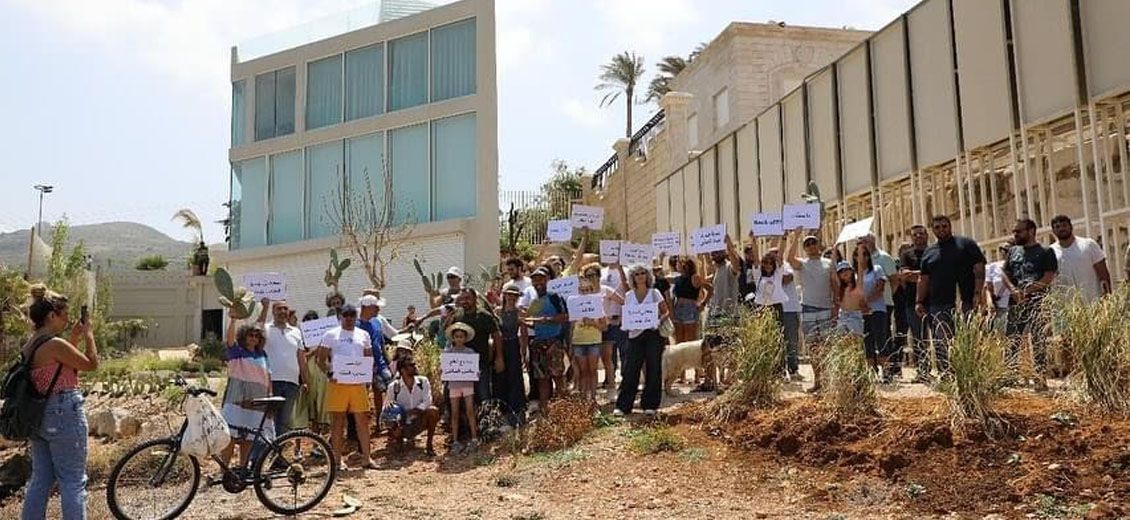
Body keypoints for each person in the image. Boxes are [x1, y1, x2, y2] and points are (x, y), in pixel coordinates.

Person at [21, 285, 97, 520]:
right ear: (52, 316)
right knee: (73, 481)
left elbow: (63, 368)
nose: (67, 319)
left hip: (41, 416)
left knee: (41, 478)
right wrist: (89, 334)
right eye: (64, 314)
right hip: (64, 412)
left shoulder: (31, 344)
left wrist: (73, 337)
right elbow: (90, 365)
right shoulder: (55, 345)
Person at [915, 215, 986, 377]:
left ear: (950, 226)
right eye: (937, 227)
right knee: (942, 341)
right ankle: (948, 374)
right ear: (933, 230)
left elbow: (979, 270)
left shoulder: (966, 244)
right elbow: (923, 278)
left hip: (965, 300)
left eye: (944, 226)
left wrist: (977, 293)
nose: (941, 230)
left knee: (969, 338)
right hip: (938, 303)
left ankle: (972, 374)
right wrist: (919, 301)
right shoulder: (929, 252)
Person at [316, 304, 377, 471]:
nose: (349, 318)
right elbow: (320, 360)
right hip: (339, 384)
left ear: (356, 317)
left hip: (357, 384)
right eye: (346, 315)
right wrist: (330, 374)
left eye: (352, 315)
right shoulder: (331, 334)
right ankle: (337, 460)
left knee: (362, 421)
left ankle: (366, 458)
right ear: (340, 316)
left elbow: (368, 357)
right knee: (338, 422)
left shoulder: (363, 334)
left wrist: (367, 376)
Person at [1002, 219, 1058, 391]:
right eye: (1014, 232)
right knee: (1012, 339)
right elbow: (1005, 273)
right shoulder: (1013, 252)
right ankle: (1009, 377)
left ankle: (1040, 378)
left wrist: (1028, 291)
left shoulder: (1046, 251)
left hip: (1037, 302)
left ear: (1031, 231)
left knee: (1038, 340)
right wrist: (1013, 290)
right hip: (1016, 302)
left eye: (1019, 231)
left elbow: (1048, 277)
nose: (1015, 235)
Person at [615, 264, 671, 417]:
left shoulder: (655, 293)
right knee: (630, 369)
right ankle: (624, 405)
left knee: (653, 368)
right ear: (632, 277)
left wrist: (658, 321)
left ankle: (650, 404)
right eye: (637, 274)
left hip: (653, 334)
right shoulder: (628, 296)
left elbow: (665, 312)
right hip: (634, 336)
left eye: (642, 273)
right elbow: (627, 315)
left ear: (647, 276)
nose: (640, 276)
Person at [220, 314, 273, 471]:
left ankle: (243, 469)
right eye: (251, 334)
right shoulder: (237, 351)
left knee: (249, 438)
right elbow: (229, 340)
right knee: (230, 436)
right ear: (244, 336)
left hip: (258, 401)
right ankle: (224, 470)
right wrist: (233, 320)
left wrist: (270, 398)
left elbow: (268, 377)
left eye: (257, 335)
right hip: (237, 399)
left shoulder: (263, 355)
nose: (254, 338)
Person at [785, 232, 837, 390]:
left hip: (826, 308)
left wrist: (836, 305)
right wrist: (797, 236)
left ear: (818, 244)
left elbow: (835, 284)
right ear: (804, 249)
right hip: (808, 309)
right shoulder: (803, 264)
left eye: (813, 242)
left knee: (826, 347)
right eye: (807, 244)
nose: (811, 246)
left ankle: (827, 381)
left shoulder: (829, 263)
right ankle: (818, 381)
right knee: (813, 347)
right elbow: (789, 259)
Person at [256, 298, 307, 436]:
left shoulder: (296, 331)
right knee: (268, 419)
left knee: (284, 421)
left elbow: (301, 358)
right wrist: (264, 307)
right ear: (273, 311)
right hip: (271, 382)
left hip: (292, 383)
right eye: (279, 309)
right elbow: (255, 330)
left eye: (285, 309)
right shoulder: (265, 328)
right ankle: (262, 454)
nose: (283, 312)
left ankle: (278, 455)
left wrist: (306, 381)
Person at [523, 267, 569, 406]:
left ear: (547, 280)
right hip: (538, 343)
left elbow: (564, 316)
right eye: (535, 279)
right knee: (542, 379)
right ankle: (544, 411)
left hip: (554, 342)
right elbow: (534, 324)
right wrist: (524, 322)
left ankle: (564, 410)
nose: (538, 282)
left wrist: (547, 319)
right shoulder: (535, 302)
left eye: (541, 279)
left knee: (558, 377)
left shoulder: (555, 297)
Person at [702, 235, 742, 391]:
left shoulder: (728, 268)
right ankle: (717, 380)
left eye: (718, 252)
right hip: (714, 315)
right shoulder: (716, 271)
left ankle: (731, 378)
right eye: (713, 253)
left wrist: (730, 246)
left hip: (728, 314)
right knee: (714, 348)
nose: (715, 255)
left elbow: (736, 265)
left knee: (730, 346)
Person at [450, 288, 503, 402]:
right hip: (461, 364)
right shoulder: (457, 315)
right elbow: (451, 335)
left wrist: (499, 357)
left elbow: (496, 335)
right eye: (462, 299)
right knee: (460, 397)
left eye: (468, 298)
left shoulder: (484, 316)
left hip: (481, 363)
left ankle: (488, 418)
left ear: (475, 299)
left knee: (484, 394)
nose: (465, 301)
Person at [382, 357, 440, 456]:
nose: (415, 367)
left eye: (414, 364)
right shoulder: (393, 387)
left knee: (433, 411)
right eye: (411, 365)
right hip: (401, 423)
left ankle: (429, 445)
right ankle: (398, 443)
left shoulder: (423, 382)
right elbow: (386, 407)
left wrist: (414, 411)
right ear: (402, 370)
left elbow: (428, 401)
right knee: (391, 417)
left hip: (419, 420)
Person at [860, 234, 899, 378]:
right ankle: (872, 372)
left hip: (882, 305)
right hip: (864, 310)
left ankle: (889, 372)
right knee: (868, 340)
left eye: (865, 240)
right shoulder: (859, 267)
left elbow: (894, 281)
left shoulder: (883, 258)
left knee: (883, 338)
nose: (863, 243)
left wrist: (887, 298)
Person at [1049, 215, 1111, 302]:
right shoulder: (1051, 252)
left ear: (1071, 227)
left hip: (1093, 302)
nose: (1061, 229)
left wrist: (1108, 299)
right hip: (1068, 307)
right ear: (1053, 231)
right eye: (1057, 227)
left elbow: (1103, 274)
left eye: (1064, 225)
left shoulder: (1088, 245)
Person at [854, 243, 891, 381]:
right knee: (867, 341)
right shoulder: (855, 273)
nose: (862, 257)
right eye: (858, 254)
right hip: (861, 312)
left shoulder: (876, 269)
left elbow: (880, 287)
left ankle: (886, 372)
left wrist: (867, 301)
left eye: (865, 254)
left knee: (881, 340)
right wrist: (860, 304)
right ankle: (871, 372)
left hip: (877, 309)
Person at [899, 225, 931, 383]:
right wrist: (926, 274)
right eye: (915, 234)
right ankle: (923, 371)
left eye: (921, 234)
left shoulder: (934, 251)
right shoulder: (907, 255)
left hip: (935, 300)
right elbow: (904, 276)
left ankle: (944, 370)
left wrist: (916, 274)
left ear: (927, 235)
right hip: (912, 301)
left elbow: (938, 273)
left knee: (940, 336)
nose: (918, 236)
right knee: (919, 338)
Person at [357, 295, 395, 425]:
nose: (378, 309)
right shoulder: (356, 325)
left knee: (387, 391)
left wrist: (389, 362)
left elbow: (381, 344)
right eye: (375, 307)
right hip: (363, 366)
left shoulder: (377, 322)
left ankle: (382, 419)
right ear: (366, 308)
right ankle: (363, 423)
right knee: (363, 394)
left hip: (380, 365)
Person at [444, 323, 481, 454]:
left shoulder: (470, 352)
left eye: (461, 336)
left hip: (467, 384)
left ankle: (474, 438)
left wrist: (476, 373)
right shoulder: (448, 353)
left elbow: (475, 370)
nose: (459, 339)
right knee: (455, 413)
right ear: (453, 338)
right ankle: (455, 441)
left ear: (465, 338)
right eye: (457, 336)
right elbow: (443, 369)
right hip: (453, 385)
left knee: (470, 411)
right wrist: (442, 370)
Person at [571, 277, 609, 402]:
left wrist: (593, 323)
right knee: (582, 371)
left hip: (593, 341)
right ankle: (583, 399)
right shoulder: (574, 306)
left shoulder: (598, 307)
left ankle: (592, 398)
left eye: (587, 289)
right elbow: (571, 326)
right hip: (578, 342)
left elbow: (604, 327)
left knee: (592, 370)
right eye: (582, 290)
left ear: (591, 291)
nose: (585, 292)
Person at [495, 284, 529, 425]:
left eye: (514, 295)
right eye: (509, 295)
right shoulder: (497, 311)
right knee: (500, 378)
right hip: (500, 345)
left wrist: (524, 351)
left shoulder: (520, 312)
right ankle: (503, 412)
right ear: (504, 295)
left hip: (513, 344)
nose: (511, 298)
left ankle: (518, 411)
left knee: (515, 377)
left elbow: (524, 333)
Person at [596, 262, 627, 390]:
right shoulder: (601, 272)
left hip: (619, 318)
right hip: (605, 321)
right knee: (608, 354)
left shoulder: (626, 269)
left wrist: (621, 269)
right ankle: (610, 379)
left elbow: (627, 292)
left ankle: (626, 379)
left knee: (624, 351)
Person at [671, 256, 708, 348]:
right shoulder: (677, 278)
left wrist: (703, 303)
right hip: (678, 308)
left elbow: (710, 288)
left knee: (689, 339)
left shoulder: (694, 278)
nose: (676, 265)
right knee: (679, 340)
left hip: (689, 309)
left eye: (678, 263)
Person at [984, 242, 1013, 334]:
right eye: (1002, 249)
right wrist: (990, 302)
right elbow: (988, 288)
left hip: (1013, 306)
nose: (1004, 252)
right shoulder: (992, 267)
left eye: (1007, 249)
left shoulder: (1018, 266)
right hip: (999, 307)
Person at [835, 262, 866, 337]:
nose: (844, 272)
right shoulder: (840, 287)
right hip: (843, 316)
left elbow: (860, 270)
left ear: (851, 271)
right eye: (841, 271)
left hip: (855, 316)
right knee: (843, 343)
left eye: (846, 270)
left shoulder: (858, 285)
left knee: (855, 342)